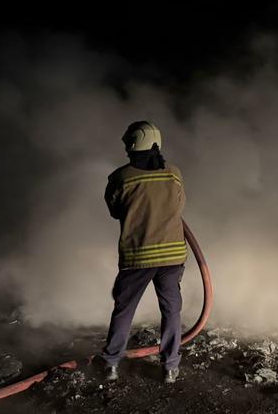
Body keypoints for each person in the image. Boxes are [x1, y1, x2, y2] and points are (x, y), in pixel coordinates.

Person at [100, 121, 187, 384]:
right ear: (156, 144)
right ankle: (170, 367)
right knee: (171, 311)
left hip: (138, 257)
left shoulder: (119, 178)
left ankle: (111, 365)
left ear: (133, 145)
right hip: (173, 256)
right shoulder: (174, 174)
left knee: (123, 310)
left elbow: (115, 211)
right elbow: (180, 206)